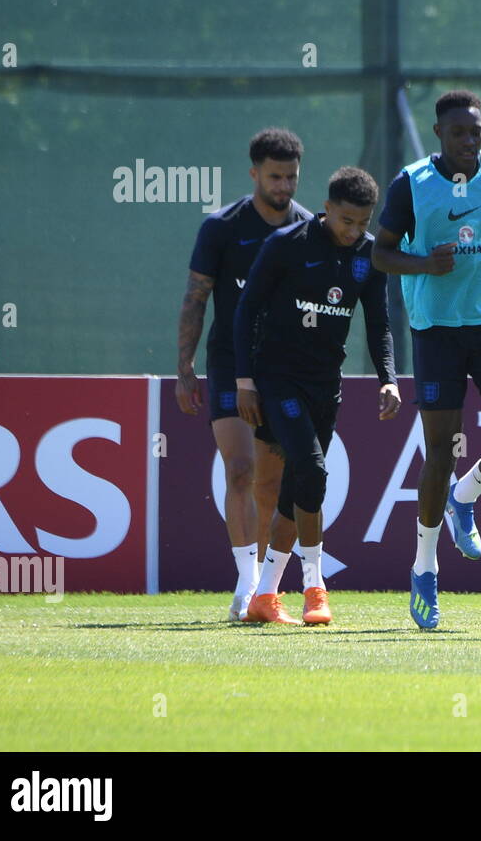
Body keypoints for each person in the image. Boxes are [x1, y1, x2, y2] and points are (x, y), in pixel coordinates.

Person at [373, 90, 481, 630]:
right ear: (439, 135)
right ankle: (425, 567)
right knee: (440, 453)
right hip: (436, 333)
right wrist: (424, 264)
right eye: (459, 134)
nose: (470, 142)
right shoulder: (411, 183)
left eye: (476, 132)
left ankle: (464, 499)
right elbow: (379, 253)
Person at [235, 167, 400, 625]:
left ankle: (265, 597)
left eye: (362, 223)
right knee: (310, 467)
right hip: (278, 378)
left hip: (326, 383)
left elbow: (379, 323)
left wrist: (388, 376)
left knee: (301, 485)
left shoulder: (369, 257)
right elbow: (246, 310)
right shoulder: (287, 245)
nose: (353, 232)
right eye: (346, 221)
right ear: (326, 209)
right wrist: (244, 380)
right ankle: (315, 588)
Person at [178, 129, 308, 621]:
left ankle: (268, 591)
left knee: (272, 486)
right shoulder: (222, 228)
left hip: (281, 371)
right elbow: (196, 297)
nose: (284, 185)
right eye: (274, 176)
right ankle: (246, 582)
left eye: (291, 176)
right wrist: (184, 367)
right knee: (239, 470)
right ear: (254, 174)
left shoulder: (306, 229)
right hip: (231, 366)